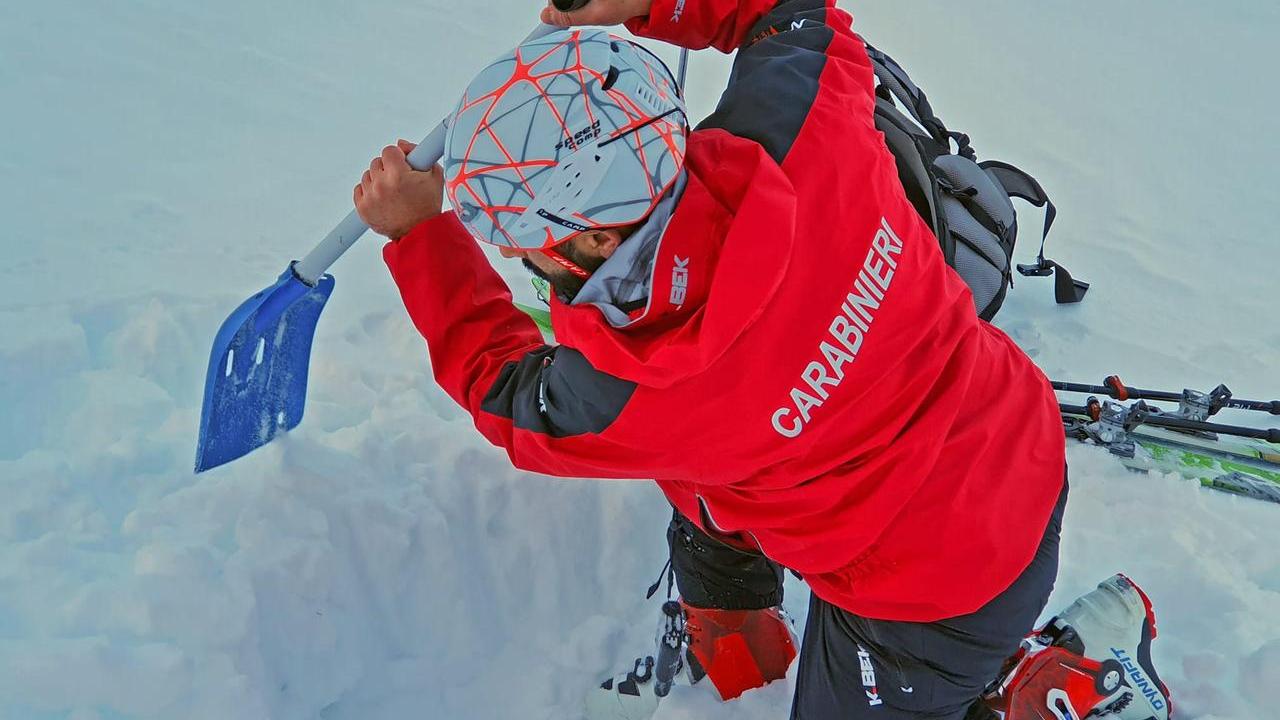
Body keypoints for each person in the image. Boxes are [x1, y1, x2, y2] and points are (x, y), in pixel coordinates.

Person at [354, 1, 1170, 718]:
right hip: (1015, 437)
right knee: (704, 472)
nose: (520, 258)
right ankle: (738, 632)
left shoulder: (625, 390)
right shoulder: (800, 126)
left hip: (934, 601)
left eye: (528, 242)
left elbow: (501, 388)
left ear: (597, 238)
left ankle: (1064, 686)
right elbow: (793, 12)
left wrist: (420, 236)